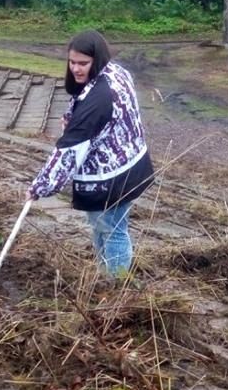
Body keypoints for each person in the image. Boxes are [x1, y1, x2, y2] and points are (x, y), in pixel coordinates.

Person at [27, 30, 154, 277]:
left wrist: (40, 186)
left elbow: (69, 151)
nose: (76, 68)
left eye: (83, 63)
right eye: (72, 62)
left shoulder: (100, 96)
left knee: (113, 229)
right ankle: (105, 276)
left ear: (97, 60)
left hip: (112, 178)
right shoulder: (116, 72)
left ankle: (117, 288)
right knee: (102, 227)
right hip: (131, 164)